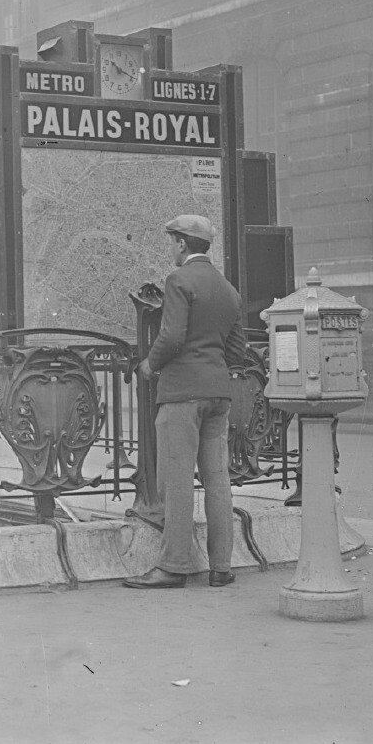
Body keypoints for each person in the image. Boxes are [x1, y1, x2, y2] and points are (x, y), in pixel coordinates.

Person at [124, 214, 248, 590]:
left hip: (181, 396)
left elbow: (173, 335)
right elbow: (238, 350)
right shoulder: (229, 290)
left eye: (171, 242)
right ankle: (221, 567)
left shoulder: (179, 280)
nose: (171, 248)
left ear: (180, 244)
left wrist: (150, 363)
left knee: (176, 481)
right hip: (217, 394)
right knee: (217, 480)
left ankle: (174, 566)